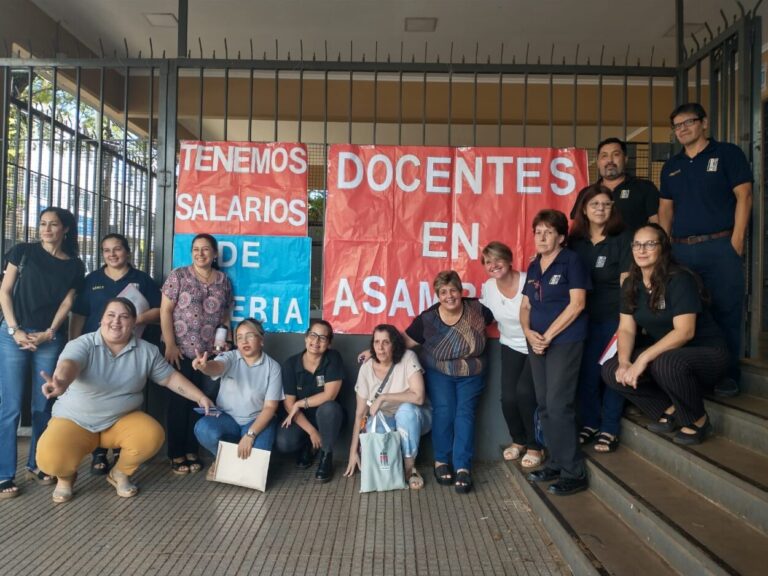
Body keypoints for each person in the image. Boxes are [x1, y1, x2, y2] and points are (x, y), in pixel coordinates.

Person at [35, 298, 215, 503]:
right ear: (101, 320)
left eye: (124, 316)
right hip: (75, 420)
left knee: (151, 435)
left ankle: (119, 473)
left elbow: (171, 378)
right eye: (110, 315)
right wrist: (61, 382)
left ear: (134, 322)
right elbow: (69, 364)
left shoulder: (147, 351)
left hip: (120, 420)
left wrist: (200, 397)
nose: (116, 321)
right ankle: (65, 478)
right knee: (49, 458)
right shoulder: (82, 344)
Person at [601, 224, 729, 445]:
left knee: (664, 362)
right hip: (668, 356)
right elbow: (626, 328)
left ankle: (698, 419)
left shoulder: (679, 279)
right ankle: (668, 408)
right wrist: (623, 361)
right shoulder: (632, 283)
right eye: (637, 245)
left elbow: (685, 332)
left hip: (707, 354)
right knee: (611, 369)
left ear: (663, 248)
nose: (642, 250)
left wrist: (642, 358)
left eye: (650, 244)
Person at [658, 102, 753, 398]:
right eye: (677, 125)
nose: (682, 129)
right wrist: (667, 246)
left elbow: (745, 195)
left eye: (688, 122)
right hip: (682, 252)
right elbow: (665, 210)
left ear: (704, 123)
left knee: (726, 310)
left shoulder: (727, 154)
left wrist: (736, 242)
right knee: (687, 314)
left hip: (720, 247)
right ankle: (693, 373)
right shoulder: (672, 166)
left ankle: (727, 376)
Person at [0, 207, 85, 500]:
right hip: (14, 335)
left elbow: (68, 302)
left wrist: (50, 332)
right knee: (10, 406)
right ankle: (3, 474)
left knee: (43, 405)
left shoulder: (75, 265)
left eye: (53, 224)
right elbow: (5, 291)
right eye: (42, 223)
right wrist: (14, 330)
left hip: (48, 339)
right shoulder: (22, 251)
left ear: (65, 230)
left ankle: (37, 463)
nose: (46, 229)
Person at [70, 233, 161, 475]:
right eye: (106, 250)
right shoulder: (92, 280)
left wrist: (133, 319)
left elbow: (161, 311)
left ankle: (122, 446)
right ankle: (98, 452)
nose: (112, 254)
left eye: (117, 249)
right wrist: (74, 342)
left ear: (128, 252)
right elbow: (79, 315)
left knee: (126, 396)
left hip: (130, 350)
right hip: (96, 351)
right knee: (96, 396)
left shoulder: (142, 279)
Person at [404, 270, 494, 494]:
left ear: (461, 290)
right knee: (444, 412)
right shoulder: (428, 318)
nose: (449, 296)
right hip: (440, 372)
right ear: (437, 295)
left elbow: (507, 314)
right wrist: (374, 352)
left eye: (453, 290)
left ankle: (463, 466)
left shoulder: (479, 310)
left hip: (472, 372)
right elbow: (405, 341)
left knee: (464, 414)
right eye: (443, 292)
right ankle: (441, 462)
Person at [521, 209, 590, 496]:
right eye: (538, 231)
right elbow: (525, 307)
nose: (542, 236)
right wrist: (528, 333)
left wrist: (547, 336)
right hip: (536, 341)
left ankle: (574, 472)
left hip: (564, 340)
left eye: (549, 232)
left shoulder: (572, 261)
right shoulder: (535, 265)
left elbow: (577, 304)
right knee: (544, 403)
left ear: (561, 237)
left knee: (559, 403)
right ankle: (557, 461)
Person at [161, 233, 233, 475]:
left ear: (214, 254)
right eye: (196, 249)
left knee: (201, 402)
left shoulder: (223, 280)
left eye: (205, 250)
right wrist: (170, 344)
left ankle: (193, 449)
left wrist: (225, 341)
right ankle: (176, 453)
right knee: (179, 402)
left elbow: (224, 315)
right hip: (180, 352)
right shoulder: (178, 275)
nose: (200, 254)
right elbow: (165, 311)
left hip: (209, 355)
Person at [569, 185, 632, 453]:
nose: (600, 209)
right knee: (587, 375)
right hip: (581, 320)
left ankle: (609, 428)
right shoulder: (574, 242)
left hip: (614, 319)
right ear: (584, 208)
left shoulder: (623, 239)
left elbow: (627, 286)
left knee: (612, 374)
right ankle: (591, 423)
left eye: (606, 204)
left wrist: (625, 323)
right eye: (594, 204)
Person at [344, 324, 432, 489]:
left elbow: (418, 397)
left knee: (406, 411)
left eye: (386, 342)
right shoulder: (366, 368)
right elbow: (360, 414)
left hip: (415, 417)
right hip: (386, 420)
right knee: (372, 427)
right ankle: (390, 468)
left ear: (395, 344)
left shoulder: (408, 357)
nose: (380, 347)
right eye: (377, 342)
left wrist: (383, 397)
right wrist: (353, 451)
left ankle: (409, 468)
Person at [480, 241, 543, 468]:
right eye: (488, 262)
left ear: (509, 259)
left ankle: (536, 446)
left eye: (498, 259)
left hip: (537, 345)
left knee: (526, 394)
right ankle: (519, 440)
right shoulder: (488, 287)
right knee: (508, 398)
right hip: (510, 344)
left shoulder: (530, 280)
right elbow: (484, 315)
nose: (494, 265)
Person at [192, 318, 282, 472]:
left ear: (261, 340)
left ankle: (236, 456)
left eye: (250, 336)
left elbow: (270, 407)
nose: (244, 341)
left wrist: (250, 434)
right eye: (239, 337)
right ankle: (222, 459)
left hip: (256, 420)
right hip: (227, 419)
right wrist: (205, 367)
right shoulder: (231, 357)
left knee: (256, 466)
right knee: (203, 429)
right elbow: (218, 367)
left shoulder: (272, 367)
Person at [276, 320, 345, 483]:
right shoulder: (291, 364)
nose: (316, 341)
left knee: (329, 408)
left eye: (322, 338)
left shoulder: (333, 358)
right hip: (302, 419)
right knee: (284, 442)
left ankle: (326, 455)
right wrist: (312, 431)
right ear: (306, 338)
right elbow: (289, 404)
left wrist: (300, 403)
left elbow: (330, 396)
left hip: (329, 418)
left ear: (329, 343)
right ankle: (309, 444)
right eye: (313, 335)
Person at [570, 137, 660, 232]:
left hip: (633, 246)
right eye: (604, 156)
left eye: (616, 154)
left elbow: (657, 224)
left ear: (625, 159)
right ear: (598, 162)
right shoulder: (586, 193)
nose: (610, 160)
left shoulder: (645, 188)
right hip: (595, 247)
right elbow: (575, 225)